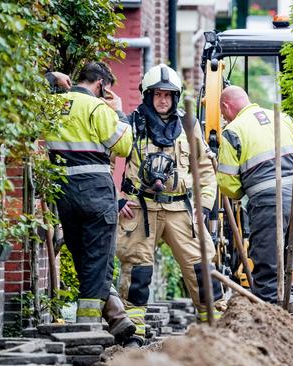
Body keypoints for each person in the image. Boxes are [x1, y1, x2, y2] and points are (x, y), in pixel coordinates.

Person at [116, 63, 226, 347]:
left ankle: (213, 328)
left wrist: (203, 206)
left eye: (168, 95)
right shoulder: (132, 124)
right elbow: (108, 160)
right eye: (157, 95)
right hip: (141, 209)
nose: (163, 100)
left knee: (201, 268)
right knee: (137, 271)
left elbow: (204, 167)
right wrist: (116, 200)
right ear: (147, 96)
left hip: (181, 211)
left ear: (175, 98)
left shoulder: (188, 126)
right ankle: (134, 333)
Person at [44, 62, 136, 344]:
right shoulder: (98, 108)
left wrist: (49, 78)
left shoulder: (53, 104)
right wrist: (118, 111)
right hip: (95, 191)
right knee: (100, 259)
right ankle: (88, 327)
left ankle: (118, 319)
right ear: (101, 85)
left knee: (84, 256)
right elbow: (124, 145)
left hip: (63, 193)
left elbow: (25, 98)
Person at [216, 85, 293, 304]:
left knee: (268, 265)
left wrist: (242, 193)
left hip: (268, 203)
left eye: (222, 114)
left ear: (226, 106)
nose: (223, 118)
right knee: (290, 258)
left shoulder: (233, 131)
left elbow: (228, 183)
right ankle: (291, 307)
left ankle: (271, 318)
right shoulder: (282, 118)